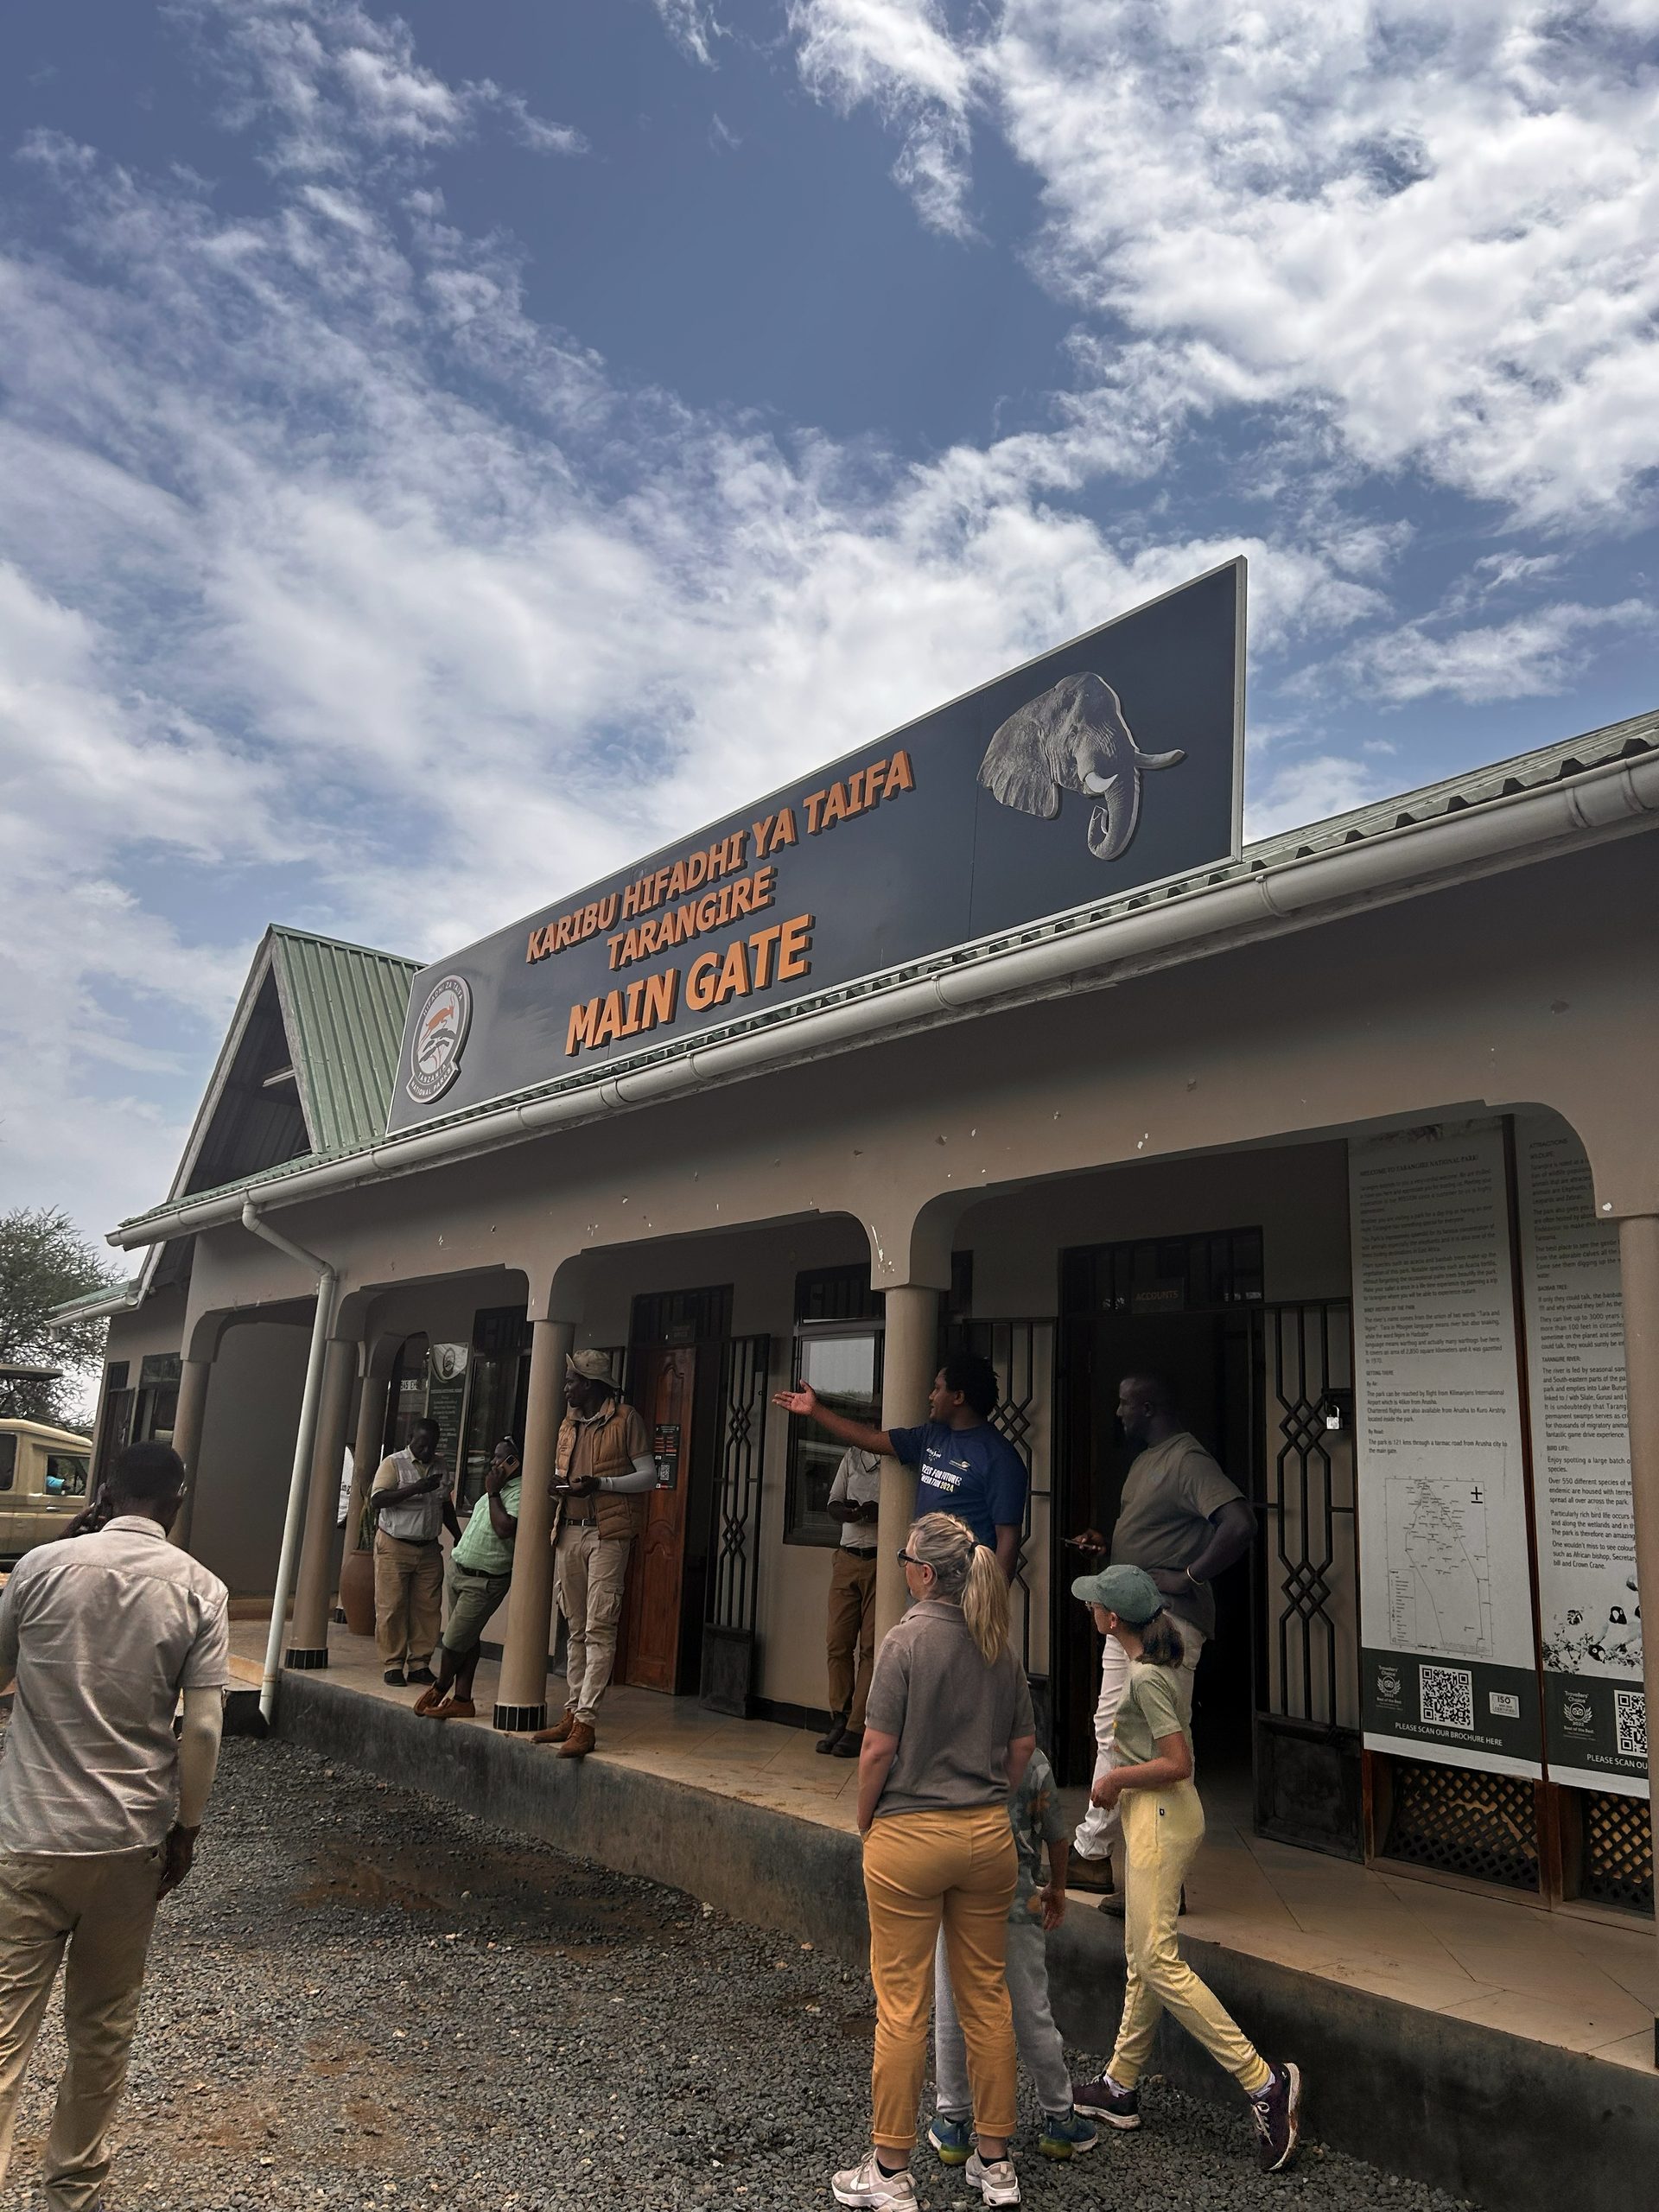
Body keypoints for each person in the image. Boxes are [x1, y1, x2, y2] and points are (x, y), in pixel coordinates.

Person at [0, 1440, 229, 2210]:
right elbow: (200, 1730)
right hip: (130, 1842)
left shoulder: (38, 1569)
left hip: (29, 1833)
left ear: (104, 1490)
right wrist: (186, 1831)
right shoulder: (201, 1590)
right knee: (100, 2031)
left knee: (4, 2031)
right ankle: (72, 2191)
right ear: (179, 1500)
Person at [1067, 1566, 1301, 2174]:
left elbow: (1177, 1761)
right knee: (1144, 1955)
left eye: (1097, 1604)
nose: (1091, 1609)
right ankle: (1120, 2084)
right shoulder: (1159, 1663)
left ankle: (1263, 2082)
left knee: (1158, 1960)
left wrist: (1114, 1779)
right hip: (1159, 1817)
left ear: (1113, 1619)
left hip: (1160, 1818)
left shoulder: (1144, 1678)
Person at [833, 1511, 1035, 2212]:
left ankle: (890, 2172)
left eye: (904, 1558)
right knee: (987, 1999)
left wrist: (866, 1818)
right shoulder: (998, 1643)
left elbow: (876, 1749)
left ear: (923, 1572)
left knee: (902, 2008)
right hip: (986, 1837)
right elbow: (1021, 1748)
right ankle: (996, 2162)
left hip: (909, 1837)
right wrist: (989, 1799)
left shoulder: (904, 1642)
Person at [1066, 1374, 1254, 1897]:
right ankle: (1093, 1854)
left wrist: (1191, 1575)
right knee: (1112, 1730)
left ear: (1149, 1407)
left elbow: (1238, 1523)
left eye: (1125, 1404)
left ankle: (1163, 1878)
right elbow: (1154, 1535)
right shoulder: (1145, 1461)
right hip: (1129, 1618)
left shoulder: (1188, 1460)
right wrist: (1111, 1549)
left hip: (1166, 1618)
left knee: (1164, 1741)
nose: (1118, 1413)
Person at [927, 1744, 1097, 2166]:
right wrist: (1057, 1889)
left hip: (956, 1898)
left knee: (951, 2010)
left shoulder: (948, 1753)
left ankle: (954, 2123)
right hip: (1018, 1902)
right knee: (1031, 2012)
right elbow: (1057, 1835)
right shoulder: (1033, 1760)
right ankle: (1059, 2117)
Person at [773, 1352, 1026, 1580]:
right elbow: (871, 1440)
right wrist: (814, 1410)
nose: (931, 1396)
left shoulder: (1000, 1458)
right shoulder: (930, 1436)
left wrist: (994, 1602)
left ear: (958, 1397)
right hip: (924, 1581)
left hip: (967, 1589)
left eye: (937, 1389)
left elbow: (1007, 1538)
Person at [534, 1351, 658, 1759]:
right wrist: (560, 1486)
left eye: (571, 1380)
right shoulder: (567, 1424)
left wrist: (601, 1483)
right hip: (567, 1529)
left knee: (599, 1629)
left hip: (607, 1535)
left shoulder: (626, 1419)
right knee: (574, 1627)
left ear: (589, 1383)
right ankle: (570, 1713)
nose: (566, 1387)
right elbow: (562, 1471)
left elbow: (648, 1476)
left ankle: (586, 1722)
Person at [415, 1438, 522, 1720]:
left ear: (516, 1462)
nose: (493, 1463)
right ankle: (463, 1700)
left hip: (484, 1581)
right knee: (467, 1638)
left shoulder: (518, 1491)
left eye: (501, 1458)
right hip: (460, 1571)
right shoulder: (492, 1491)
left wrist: (495, 1492)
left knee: (452, 1642)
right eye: (493, 1457)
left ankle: (441, 1686)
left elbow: (505, 1528)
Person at [369, 1416, 460, 1688]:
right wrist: (414, 1489)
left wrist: (459, 1536)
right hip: (394, 1546)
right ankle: (393, 1664)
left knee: (428, 1608)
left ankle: (420, 1664)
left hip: (429, 1549)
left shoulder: (441, 1465)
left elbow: (445, 1506)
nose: (426, 1450)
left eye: (431, 1445)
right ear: (411, 1438)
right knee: (392, 1607)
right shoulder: (394, 1463)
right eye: (421, 1444)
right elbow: (377, 1500)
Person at [820, 1444, 882, 1758]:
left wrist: (878, 1512)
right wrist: (846, 1512)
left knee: (870, 1648)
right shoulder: (852, 1456)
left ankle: (858, 1727)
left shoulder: (895, 1461)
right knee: (837, 1643)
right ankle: (839, 1717)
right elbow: (832, 1502)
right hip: (847, 1556)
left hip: (879, 1560)